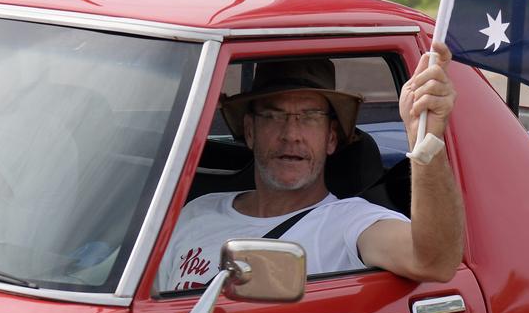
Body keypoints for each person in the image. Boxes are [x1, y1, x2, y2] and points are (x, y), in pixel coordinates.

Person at [158, 43, 463, 291]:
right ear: (250, 131)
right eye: (274, 116)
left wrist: (427, 139)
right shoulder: (196, 212)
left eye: (309, 117)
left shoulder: (351, 222)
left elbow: (432, 261)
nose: (291, 135)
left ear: (331, 138)